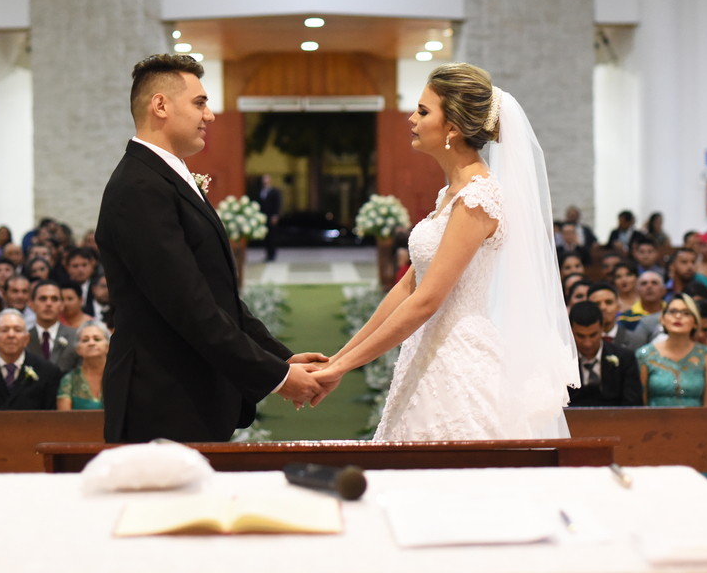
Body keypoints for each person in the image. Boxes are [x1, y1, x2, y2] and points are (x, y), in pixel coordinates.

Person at [313, 63, 578, 439]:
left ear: (452, 126)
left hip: (459, 360)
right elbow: (408, 287)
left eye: (423, 111)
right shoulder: (450, 194)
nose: (411, 118)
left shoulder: (477, 198)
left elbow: (427, 300)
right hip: (426, 350)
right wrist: (338, 358)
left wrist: (342, 370)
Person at [95, 54, 325, 443]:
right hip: (161, 400)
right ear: (161, 105)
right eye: (200, 103)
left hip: (189, 391)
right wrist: (277, 378)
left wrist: (278, 355)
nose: (210, 115)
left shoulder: (165, 178)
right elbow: (190, 306)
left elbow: (218, 295)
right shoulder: (139, 187)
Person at [635, 294, 707, 407]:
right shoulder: (645, 355)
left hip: (697, 422)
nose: (678, 316)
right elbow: (639, 405)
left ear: (695, 322)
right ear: (662, 319)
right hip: (654, 422)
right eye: (672, 311)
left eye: (686, 313)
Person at [566, 302, 642, 407]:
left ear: (602, 328)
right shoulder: (562, 362)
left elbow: (633, 404)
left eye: (593, 335)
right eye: (580, 336)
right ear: (570, 331)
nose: (587, 343)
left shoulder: (624, 358)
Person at [26, 280, 80, 374]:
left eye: (54, 299)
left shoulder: (76, 336)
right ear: (31, 304)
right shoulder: (23, 338)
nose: (49, 304)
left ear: (62, 305)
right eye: (43, 299)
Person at [57, 323, 108, 410]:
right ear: (77, 349)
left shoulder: (121, 376)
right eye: (85, 340)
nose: (91, 343)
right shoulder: (69, 380)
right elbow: (64, 420)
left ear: (108, 346)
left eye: (97, 339)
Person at [587, 282, 640, 353]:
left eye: (608, 302)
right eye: (597, 304)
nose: (603, 307)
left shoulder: (635, 340)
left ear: (618, 307)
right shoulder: (579, 342)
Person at [63, 248, 100, 317]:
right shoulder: (62, 287)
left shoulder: (100, 285)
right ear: (67, 268)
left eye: (84, 265)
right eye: (75, 266)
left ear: (92, 265)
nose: (80, 270)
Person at [255, 173, 283, 262]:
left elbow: (277, 204)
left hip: (271, 217)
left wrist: (275, 215)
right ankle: (267, 254)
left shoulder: (274, 192)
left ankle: (272, 254)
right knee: (266, 236)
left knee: (272, 236)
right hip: (263, 217)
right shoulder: (260, 192)